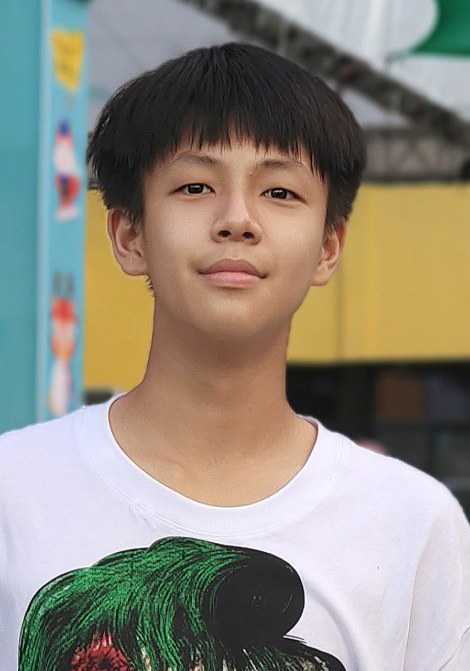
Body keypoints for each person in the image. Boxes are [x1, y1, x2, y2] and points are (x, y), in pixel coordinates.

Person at [1, 43, 469, 671]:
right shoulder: (13, 491)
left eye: (279, 191)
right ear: (129, 233)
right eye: (195, 186)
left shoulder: (413, 523)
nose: (237, 220)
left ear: (329, 246)